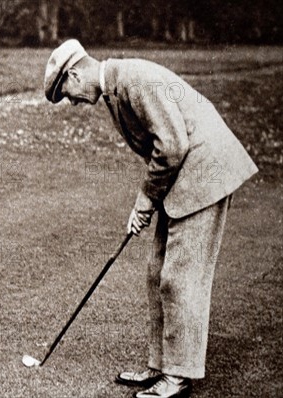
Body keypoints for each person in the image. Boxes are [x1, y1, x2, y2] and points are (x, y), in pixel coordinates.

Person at [44, 39, 258, 398]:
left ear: (75, 74)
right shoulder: (114, 90)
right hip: (185, 174)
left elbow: (172, 146)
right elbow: (162, 148)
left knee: (180, 277)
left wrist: (145, 198)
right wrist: (147, 201)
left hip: (206, 173)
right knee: (156, 271)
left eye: (66, 93)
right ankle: (160, 365)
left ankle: (178, 377)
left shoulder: (133, 80)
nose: (73, 102)